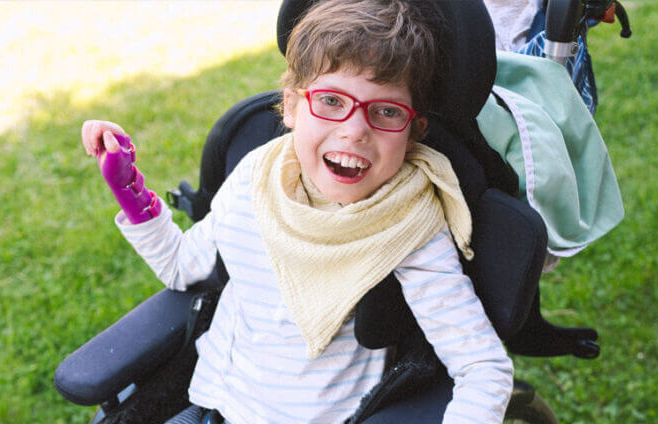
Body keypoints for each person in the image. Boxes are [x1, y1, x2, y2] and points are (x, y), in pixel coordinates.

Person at [80, 0, 513, 422]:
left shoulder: (405, 224)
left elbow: (483, 369)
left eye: (385, 111)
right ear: (290, 105)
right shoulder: (258, 177)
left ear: (414, 131)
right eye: (330, 101)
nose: (354, 131)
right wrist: (130, 190)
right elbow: (181, 266)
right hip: (214, 399)